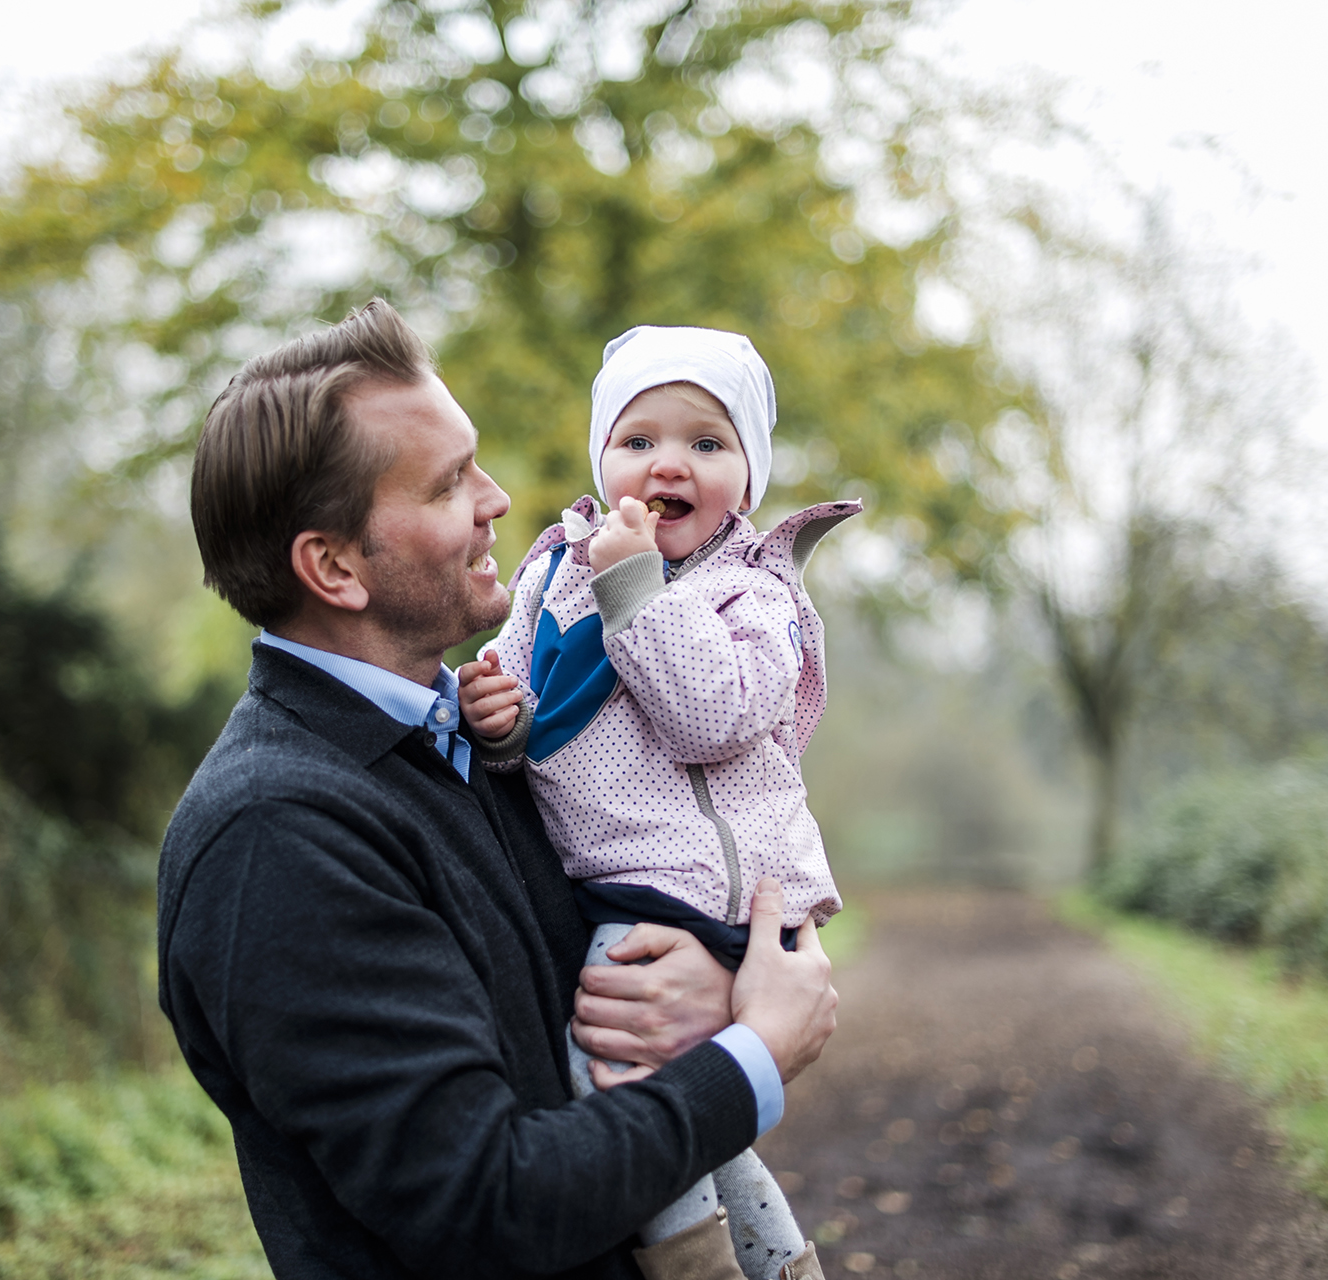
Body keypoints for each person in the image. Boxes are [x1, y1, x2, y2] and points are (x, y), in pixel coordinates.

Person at [156, 299, 839, 1280]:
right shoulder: (277, 831)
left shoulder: (476, 741)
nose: (501, 498)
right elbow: (485, 1201)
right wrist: (754, 1057)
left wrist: (723, 983)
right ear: (336, 565)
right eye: (449, 484)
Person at [456, 326, 860, 1279]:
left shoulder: (752, 591)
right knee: (699, 1123)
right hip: (617, 883)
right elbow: (530, 708)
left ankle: (691, 1267)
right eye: (638, 440)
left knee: (611, 1074)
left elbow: (713, 717)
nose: (668, 462)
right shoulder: (553, 573)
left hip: (709, 893)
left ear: (748, 481)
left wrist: (633, 586)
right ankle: (780, 1262)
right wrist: (497, 718)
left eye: (707, 444)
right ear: (601, 457)